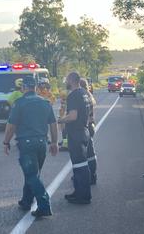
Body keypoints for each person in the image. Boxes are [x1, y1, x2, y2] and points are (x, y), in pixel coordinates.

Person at [3, 76, 59, 218]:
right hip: (42, 144)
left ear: (23, 88)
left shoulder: (19, 103)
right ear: (35, 88)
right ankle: (26, 201)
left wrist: (6, 142)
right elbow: (53, 124)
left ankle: (44, 205)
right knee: (33, 173)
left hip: (27, 144)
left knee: (31, 175)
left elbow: (11, 126)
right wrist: (54, 142)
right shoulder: (45, 102)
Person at [57, 71, 92, 204]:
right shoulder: (84, 93)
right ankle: (78, 192)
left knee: (80, 166)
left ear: (71, 80)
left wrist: (61, 120)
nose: (66, 82)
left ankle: (83, 196)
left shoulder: (73, 96)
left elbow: (73, 116)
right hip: (84, 130)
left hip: (76, 133)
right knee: (81, 165)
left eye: (66, 80)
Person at [80, 78, 98, 185]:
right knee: (90, 153)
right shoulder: (89, 96)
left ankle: (87, 176)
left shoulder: (82, 97)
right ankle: (93, 175)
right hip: (91, 125)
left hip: (86, 126)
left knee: (85, 154)